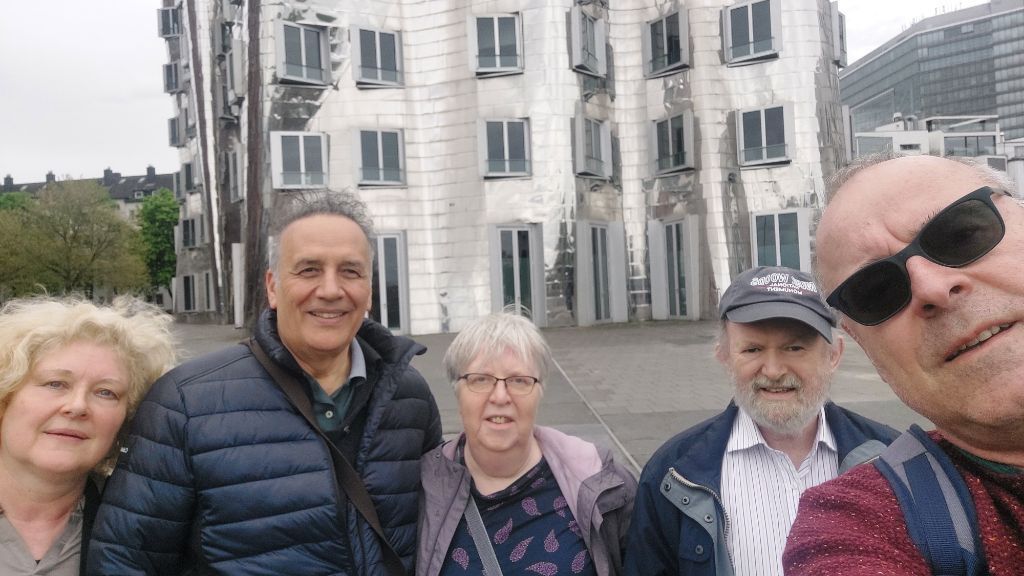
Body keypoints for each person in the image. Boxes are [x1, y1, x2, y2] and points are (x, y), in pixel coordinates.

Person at [89, 192, 443, 575]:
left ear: (369, 291)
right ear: (273, 287)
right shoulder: (185, 403)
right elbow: (125, 560)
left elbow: (444, 525)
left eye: (350, 271)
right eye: (308, 270)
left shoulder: (409, 396)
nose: (330, 289)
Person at [783, 154, 1024, 575]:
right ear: (860, 343)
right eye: (875, 290)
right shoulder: (857, 523)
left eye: (962, 234)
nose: (931, 287)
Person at [625, 266, 898, 576]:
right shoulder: (672, 473)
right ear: (724, 356)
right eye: (752, 349)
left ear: (833, 356)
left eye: (794, 347)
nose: (773, 370)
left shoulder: (892, 459)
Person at [417, 311, 637, 576]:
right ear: (457, 390)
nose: (500, 396)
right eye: (481, 379)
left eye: (519, 381)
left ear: (539, 391)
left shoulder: (605, 486)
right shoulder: (421, 490)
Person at [0, 296, 175, 575]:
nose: (78, 406)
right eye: (55, 383)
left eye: (106, 392)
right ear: (5, 396)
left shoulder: (150, 531)